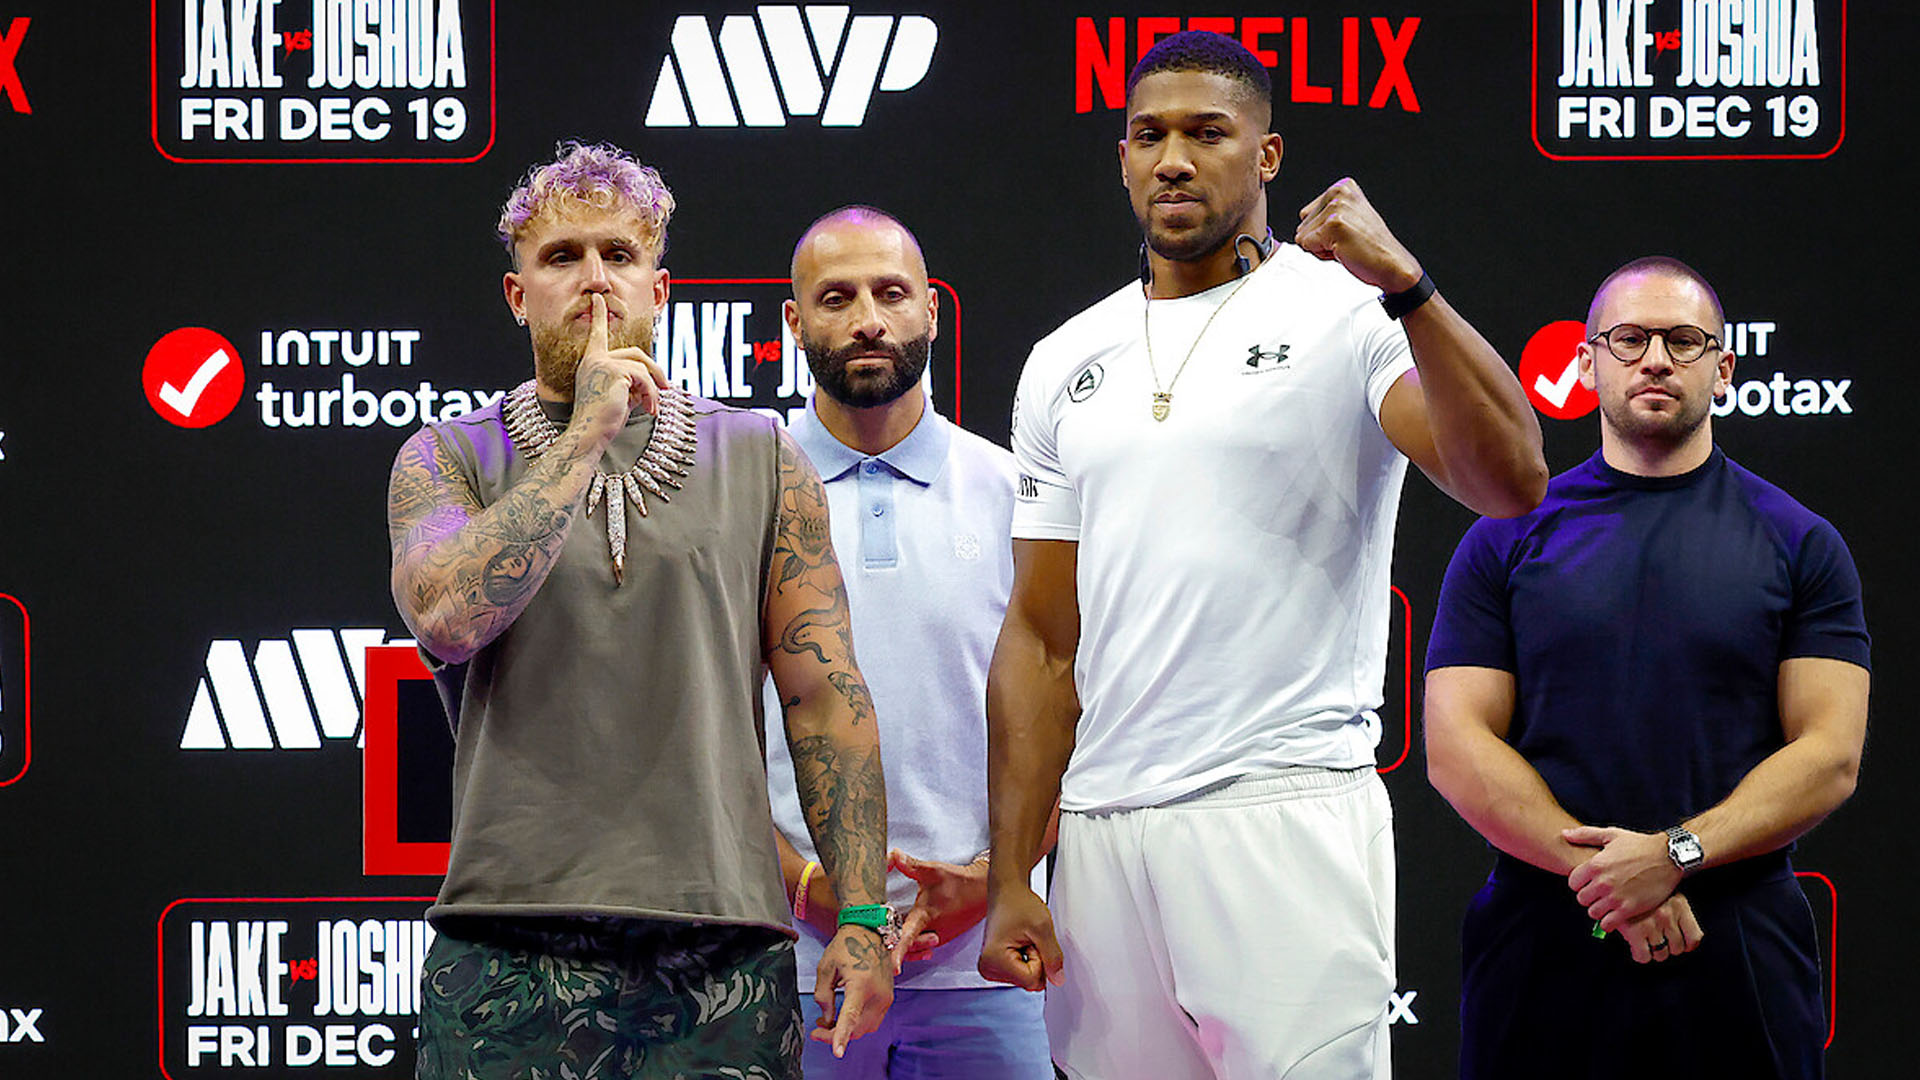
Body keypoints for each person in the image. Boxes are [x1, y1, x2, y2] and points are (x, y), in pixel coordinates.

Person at [977, 30, 1548, 1080]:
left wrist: (1410, 287)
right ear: (1122, 157)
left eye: (1208, 133)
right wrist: (1017, 870)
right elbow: (1042, 636)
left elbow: (1508, 480)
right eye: (1150, 135)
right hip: (1102, 837)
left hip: (1277, 809)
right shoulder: (1065, 358)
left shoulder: (1348, 317)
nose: (1175, 159)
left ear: (1269, 157)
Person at [385, 141, 894, 1079]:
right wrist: (585, 433)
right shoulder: (446, 455)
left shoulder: (760, 455)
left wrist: (863, 914)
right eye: (562, 256)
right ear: (516, 294)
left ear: (660, 290)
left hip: (722, 940)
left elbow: (825, 696)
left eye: (619, 255)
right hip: (507, 934)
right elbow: (449, 618)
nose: (594, 280)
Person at [1424, 255, 1870, 1080]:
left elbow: (1830, 755)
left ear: (1724, 367)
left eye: (1683, 340)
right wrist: (1612, 881)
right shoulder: (1503, 539)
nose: (1655, 359)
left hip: (1737, 942)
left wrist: (1675, 855)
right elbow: (1456, 748)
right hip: (1542, 943)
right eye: (1629, 339)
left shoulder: (1803, 542)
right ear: (1587, 362)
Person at [759, 205, 1054, 1078]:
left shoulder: (1014, 494)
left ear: (931, 309)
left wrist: (997, 879)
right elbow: (696, 740)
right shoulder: (744, 493)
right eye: (836, 297)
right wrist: (813, 892)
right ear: (793, 321)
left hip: (987, 970)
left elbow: (1076, 716)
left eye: (891, 293)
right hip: (793, 973)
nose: (867, 320)